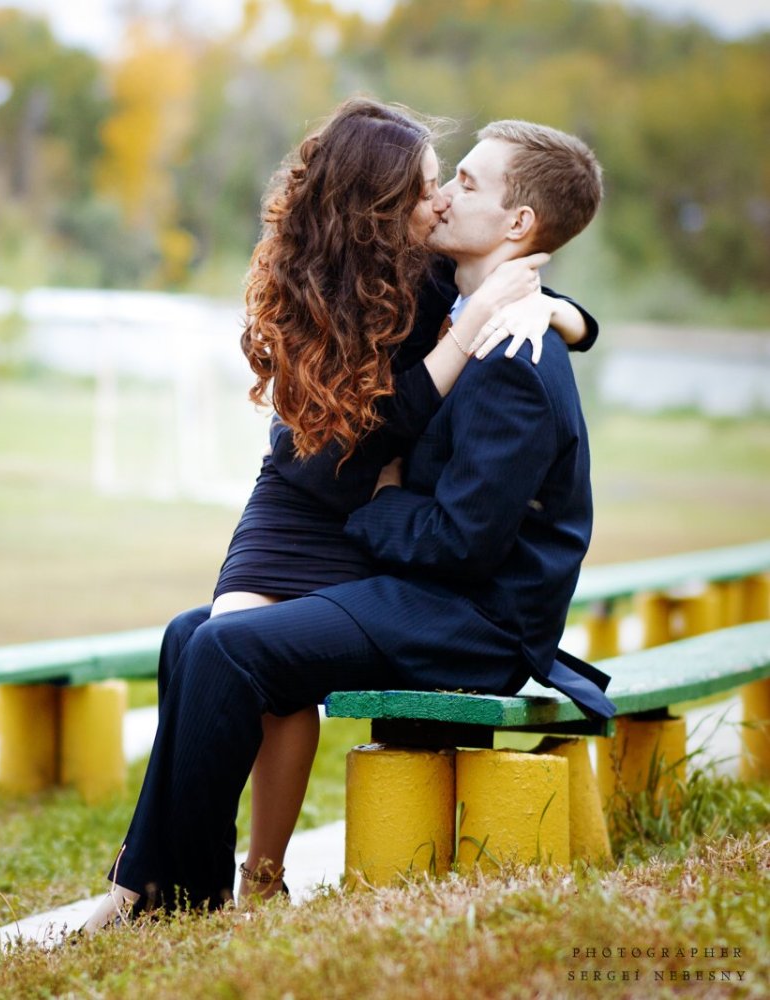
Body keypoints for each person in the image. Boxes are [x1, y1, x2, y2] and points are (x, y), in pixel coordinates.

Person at [84, 116, 611, 928]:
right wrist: (389, 495)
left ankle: (179, 900)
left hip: (476, 620)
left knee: (231, 646)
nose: (442, 198)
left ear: (517, 225)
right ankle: (154, 884)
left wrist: (381, 504)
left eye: (465, 181)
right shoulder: (446, 295)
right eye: (441, 180)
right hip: (388, 560)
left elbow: (464, 547)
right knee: (193, 634)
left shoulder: (516, 354)